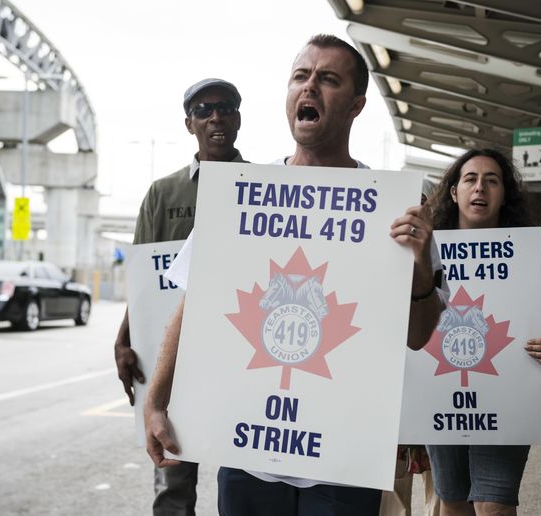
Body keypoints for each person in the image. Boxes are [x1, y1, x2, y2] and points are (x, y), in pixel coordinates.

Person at [144, 34, 446, 515]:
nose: (310, 88)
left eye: (328, 79)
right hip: (248, 461)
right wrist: (157, 399)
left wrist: (421, 265)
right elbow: (192, 303)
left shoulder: (396, 209)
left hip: (343, 463)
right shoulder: (243, 195)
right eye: (300, 77)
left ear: (356, 104)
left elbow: (417, 335)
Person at [113, 77, 245, 515]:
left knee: (247, 480)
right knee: (173, 479)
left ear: (238, 118)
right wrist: (123, 339)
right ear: (190, 124)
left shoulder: (266, 187)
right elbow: (144, 281)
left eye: (225, 107)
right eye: (204, 110)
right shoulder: (163, 195)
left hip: (244, 359)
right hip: (176, 361)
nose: (216, 117)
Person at [425, 148, 541, 516]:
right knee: (453, 501)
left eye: (492, 180)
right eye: (470, 179)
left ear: (505, 194)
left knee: (493, 505)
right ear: (454, 192)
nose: (481, 188)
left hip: (506, 400)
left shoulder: (528, 255)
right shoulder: (425, 251)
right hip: (440, 400)